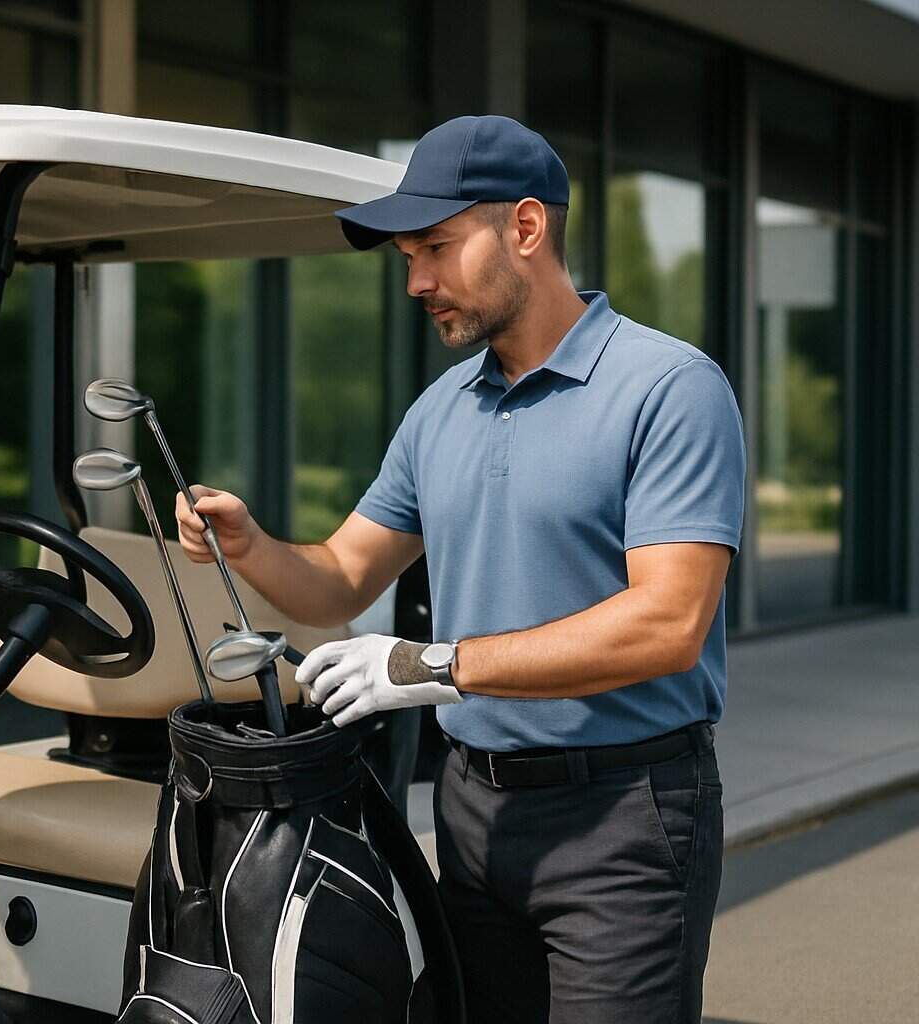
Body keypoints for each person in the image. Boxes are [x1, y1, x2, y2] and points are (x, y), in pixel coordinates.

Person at [174, 114, 745, 1024]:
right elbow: (341, 577)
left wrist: (430, 666)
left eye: (436, 247)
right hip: (476, 814)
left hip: (626, 819)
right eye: (406, 257)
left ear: (525, 228)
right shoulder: (442, 409)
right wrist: (252, 546)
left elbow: (669, 624)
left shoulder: (668, 389)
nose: (417, 282)